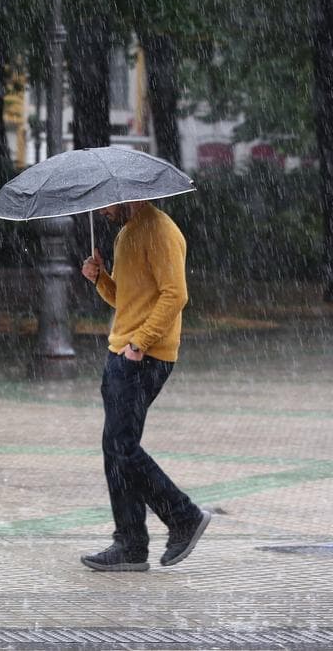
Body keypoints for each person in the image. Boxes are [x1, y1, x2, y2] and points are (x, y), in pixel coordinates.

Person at [79, 200, 211, 572]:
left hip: (144, 356)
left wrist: (139, 344)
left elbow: (175, 294)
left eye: (106, 203)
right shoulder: (127, 232)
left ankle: (183, 516)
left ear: (128, 195)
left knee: (121, 446)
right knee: (116, 448)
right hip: (123, 352)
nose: (101, 211)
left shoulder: (160, 229)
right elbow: (125, 300)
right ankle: (131, 544)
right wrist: (100, 279)